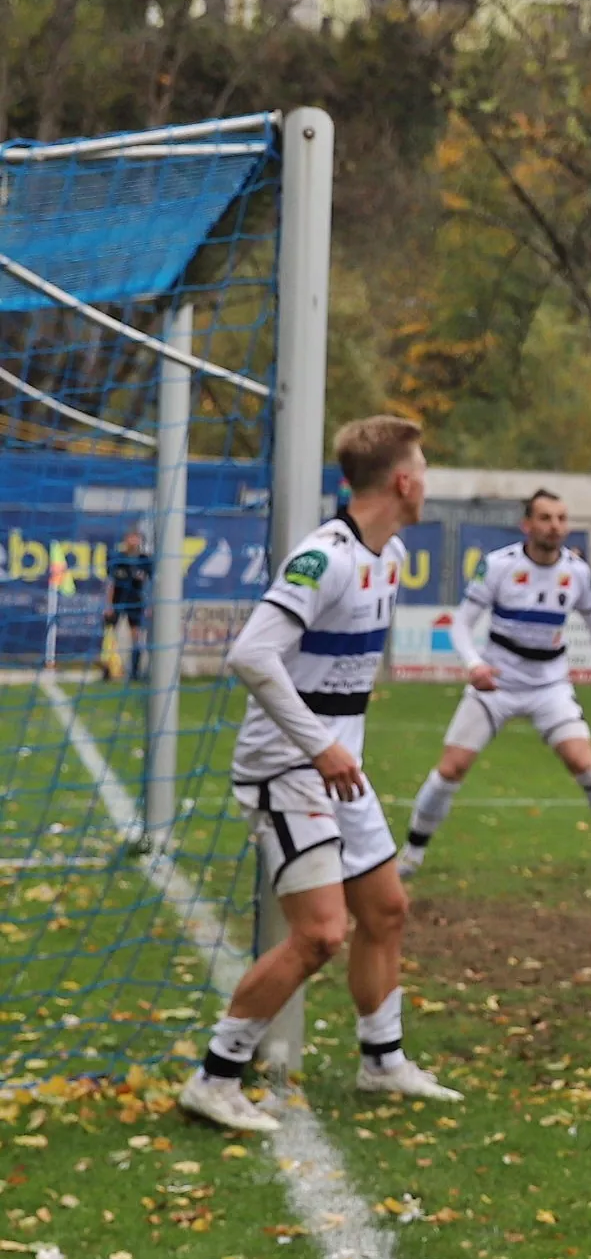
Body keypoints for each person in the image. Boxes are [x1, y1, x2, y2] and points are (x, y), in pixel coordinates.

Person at [180, 417, 459, 1132]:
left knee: (386, 909)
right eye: (424, 469)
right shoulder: (322, 558)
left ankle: (383, 1063)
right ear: (403, 482)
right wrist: (318, 745)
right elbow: (250, 655)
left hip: (337, 765)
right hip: (287, 766)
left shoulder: (390, 553)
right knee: (321, 934)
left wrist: (337, 748)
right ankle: (214, 1078)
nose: (427, 482)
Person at [397, 491, 591, 884]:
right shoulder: (499, 566)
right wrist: (475, 665)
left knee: (585, 765)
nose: (555, 527)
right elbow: (461, 624)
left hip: (549, 686)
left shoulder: (577, 572)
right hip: (496, 684)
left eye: (561, 518)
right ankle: (411, 855)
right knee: (451, 768)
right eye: (545, 518)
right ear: (526, 525)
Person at [104, 526, 151, 681]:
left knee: (136, 636)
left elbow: (150, 584)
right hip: (117, 601)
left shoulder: (144, 560)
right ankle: (108, 670)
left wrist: (149, 605)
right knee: (110, 636)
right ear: (125, 540)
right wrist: (108, 604)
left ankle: (135, 672)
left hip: (135, 601)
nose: (133, 541)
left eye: (136, 537)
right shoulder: (117, 558)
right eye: (130, 537)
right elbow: (110, 583)